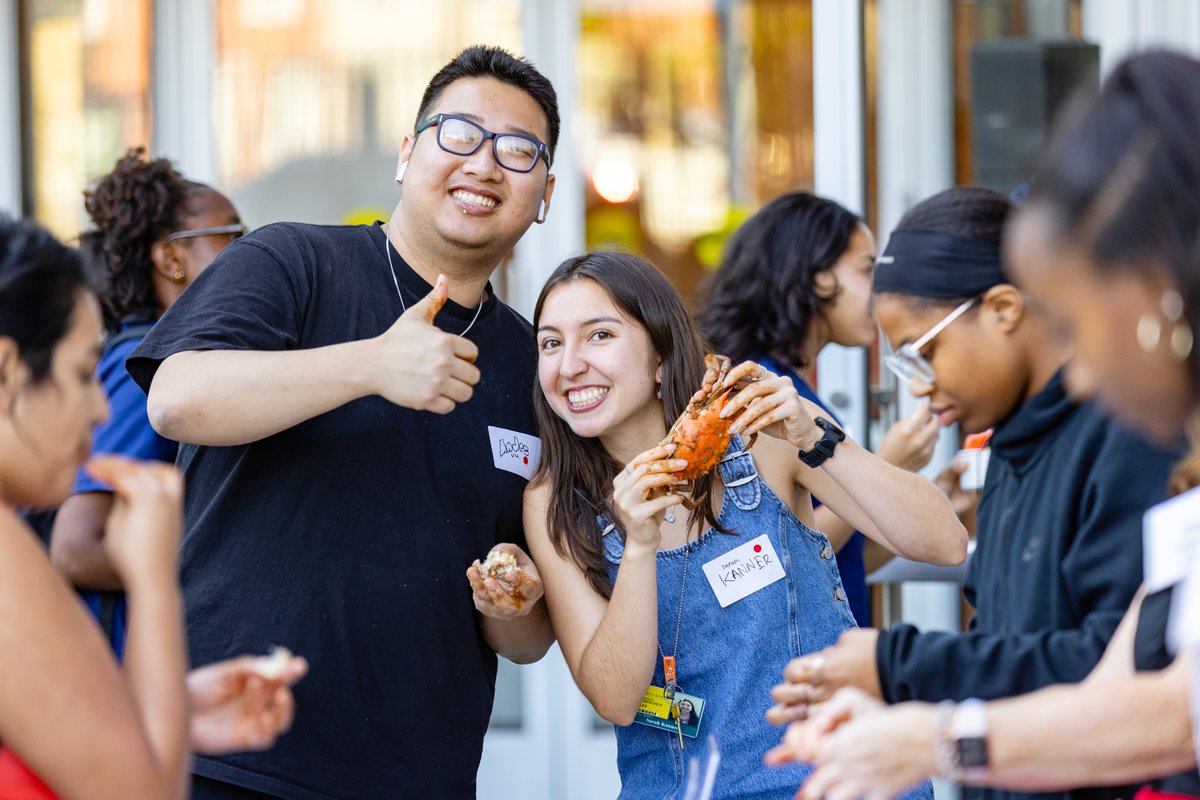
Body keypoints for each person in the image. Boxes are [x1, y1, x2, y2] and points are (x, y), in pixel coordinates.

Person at [127, 45, 557, 799]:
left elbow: (522, 640)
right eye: (458, 133)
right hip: (228, 758)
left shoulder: (533, 364)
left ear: (545, 193)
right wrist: (369, 366)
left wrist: (517, 601)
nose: (485, 165)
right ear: (406, 155)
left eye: (518, 151)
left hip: (419, 775)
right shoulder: (293, 260)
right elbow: (176, 397)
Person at [767, 50, 1200, 799]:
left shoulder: (1130, 437)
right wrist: (920, 718)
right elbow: (1145, 697)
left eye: (1078, 321)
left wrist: (916, 703)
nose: (1083, 375)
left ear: (1164, 288)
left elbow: (1156, 714)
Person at [524, 250, 967, 799]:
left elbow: (944, 543)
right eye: (550, 342)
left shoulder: (759, 432)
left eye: (599, 336)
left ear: (661, 356)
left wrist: (818, 439)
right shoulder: (554, 501)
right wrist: (638, 544)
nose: (569, 364)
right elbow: (616, 698)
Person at [698, 192, 941, 626]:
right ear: (814, 275)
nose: (880, 290)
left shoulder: (792, 389)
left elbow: (845, 556)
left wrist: (939, 496)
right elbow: (776, 563)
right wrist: (886, 464)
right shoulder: (757, 393)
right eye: (868, 269)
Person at [48, 147, 244, 657]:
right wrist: (215, 563)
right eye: (231, 235)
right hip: (113, 673)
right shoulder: (150, 373)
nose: (248, 251)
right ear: (170, 257)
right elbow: (76, 547)